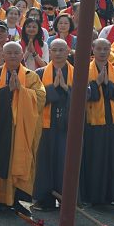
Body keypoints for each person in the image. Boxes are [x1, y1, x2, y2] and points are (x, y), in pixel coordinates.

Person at [0, 42, 45, 214]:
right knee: (1, 161)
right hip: (1, 126)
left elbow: (40, 98)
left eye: (16, 53)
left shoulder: (31, 76)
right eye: (8, 53)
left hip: (22, 128)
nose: (12, 56)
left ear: (22, 55)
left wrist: (22, 91)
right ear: (2, 55)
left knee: (21, 160)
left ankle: (17, 200)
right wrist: (7, 92)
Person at [80, 38, 114, 205]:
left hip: (112, 123)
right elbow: (79, 95)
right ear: (92, 49)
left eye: (105, 49)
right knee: (93, 159)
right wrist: (96, 84)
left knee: (110, 159)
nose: (102, 52)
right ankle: (91, 196)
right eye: (99, 48)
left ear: (110, 51)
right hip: (91, 123)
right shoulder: (83, 70)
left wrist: (108, 85)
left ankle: (109, 195)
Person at [33, 39, 72, 210]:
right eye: (54, 50)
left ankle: (66, 198)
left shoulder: (77, 72)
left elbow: (87, 94)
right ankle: (44, 199)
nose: (57, 54)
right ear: (50, 51)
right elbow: (35, 97)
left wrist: (65, 87)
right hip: (46, 124)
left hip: (67, 124)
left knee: (66, 160)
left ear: (68, 51)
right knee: (45, 160)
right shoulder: (40, 72)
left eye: (61, 50)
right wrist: (52, 88)